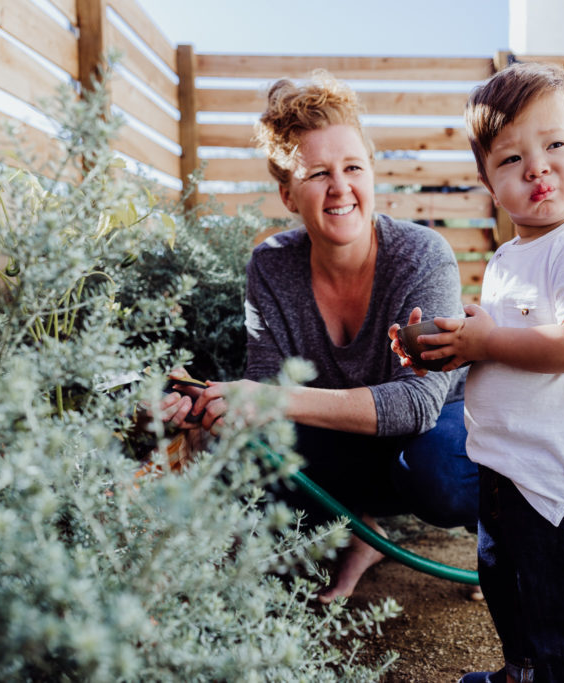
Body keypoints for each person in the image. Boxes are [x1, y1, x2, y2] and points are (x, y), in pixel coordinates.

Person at [160, 70, 479, 604]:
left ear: (372, 173)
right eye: (317, 174)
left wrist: (269, 398)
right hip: (356, 438)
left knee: (439, 474)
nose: (340, 188)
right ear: (288, 193)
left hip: (444, 424)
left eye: (353, 167)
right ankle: (364, 532)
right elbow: (265, 382)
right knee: (258, 459)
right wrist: (209, 406)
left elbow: (420, 405)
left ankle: (501, 540)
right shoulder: (270, 265)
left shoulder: (421, 255)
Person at [393, 61, 564, 682]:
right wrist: (446, 343)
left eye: (555, 145)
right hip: (501, 472)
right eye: (509, 159)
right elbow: (498, 339)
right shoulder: (508, 257)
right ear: (488, 184)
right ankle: (518, 672)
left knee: (559, 615)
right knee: (506, 586)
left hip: (555, 485)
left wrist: (489, 337)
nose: (537, 167)